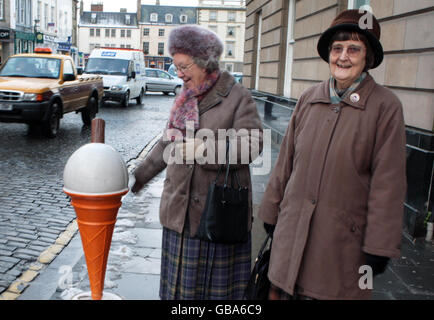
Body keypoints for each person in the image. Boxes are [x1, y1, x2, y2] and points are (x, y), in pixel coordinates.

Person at [258, 9, 406, 300]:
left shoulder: (385, 107)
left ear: (368, 58)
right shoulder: (308, 99)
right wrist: (271, 211)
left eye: (353, 49)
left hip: (340, 248)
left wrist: (379, 246)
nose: (342, 57)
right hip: (290, 236)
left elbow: (388, 184)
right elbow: (285, 163)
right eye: (336, 48)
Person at [131, 25, 263, 300]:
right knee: (178, 294)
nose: (178, 73)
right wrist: (139, 175)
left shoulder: (237, 96)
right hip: (179, 216)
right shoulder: (184, 98)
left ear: (204, 61)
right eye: (175, 66)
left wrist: (204, 149)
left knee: (216, 296)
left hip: (217, 217)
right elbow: (168, 143)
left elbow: (252, 145)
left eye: (184, 66)